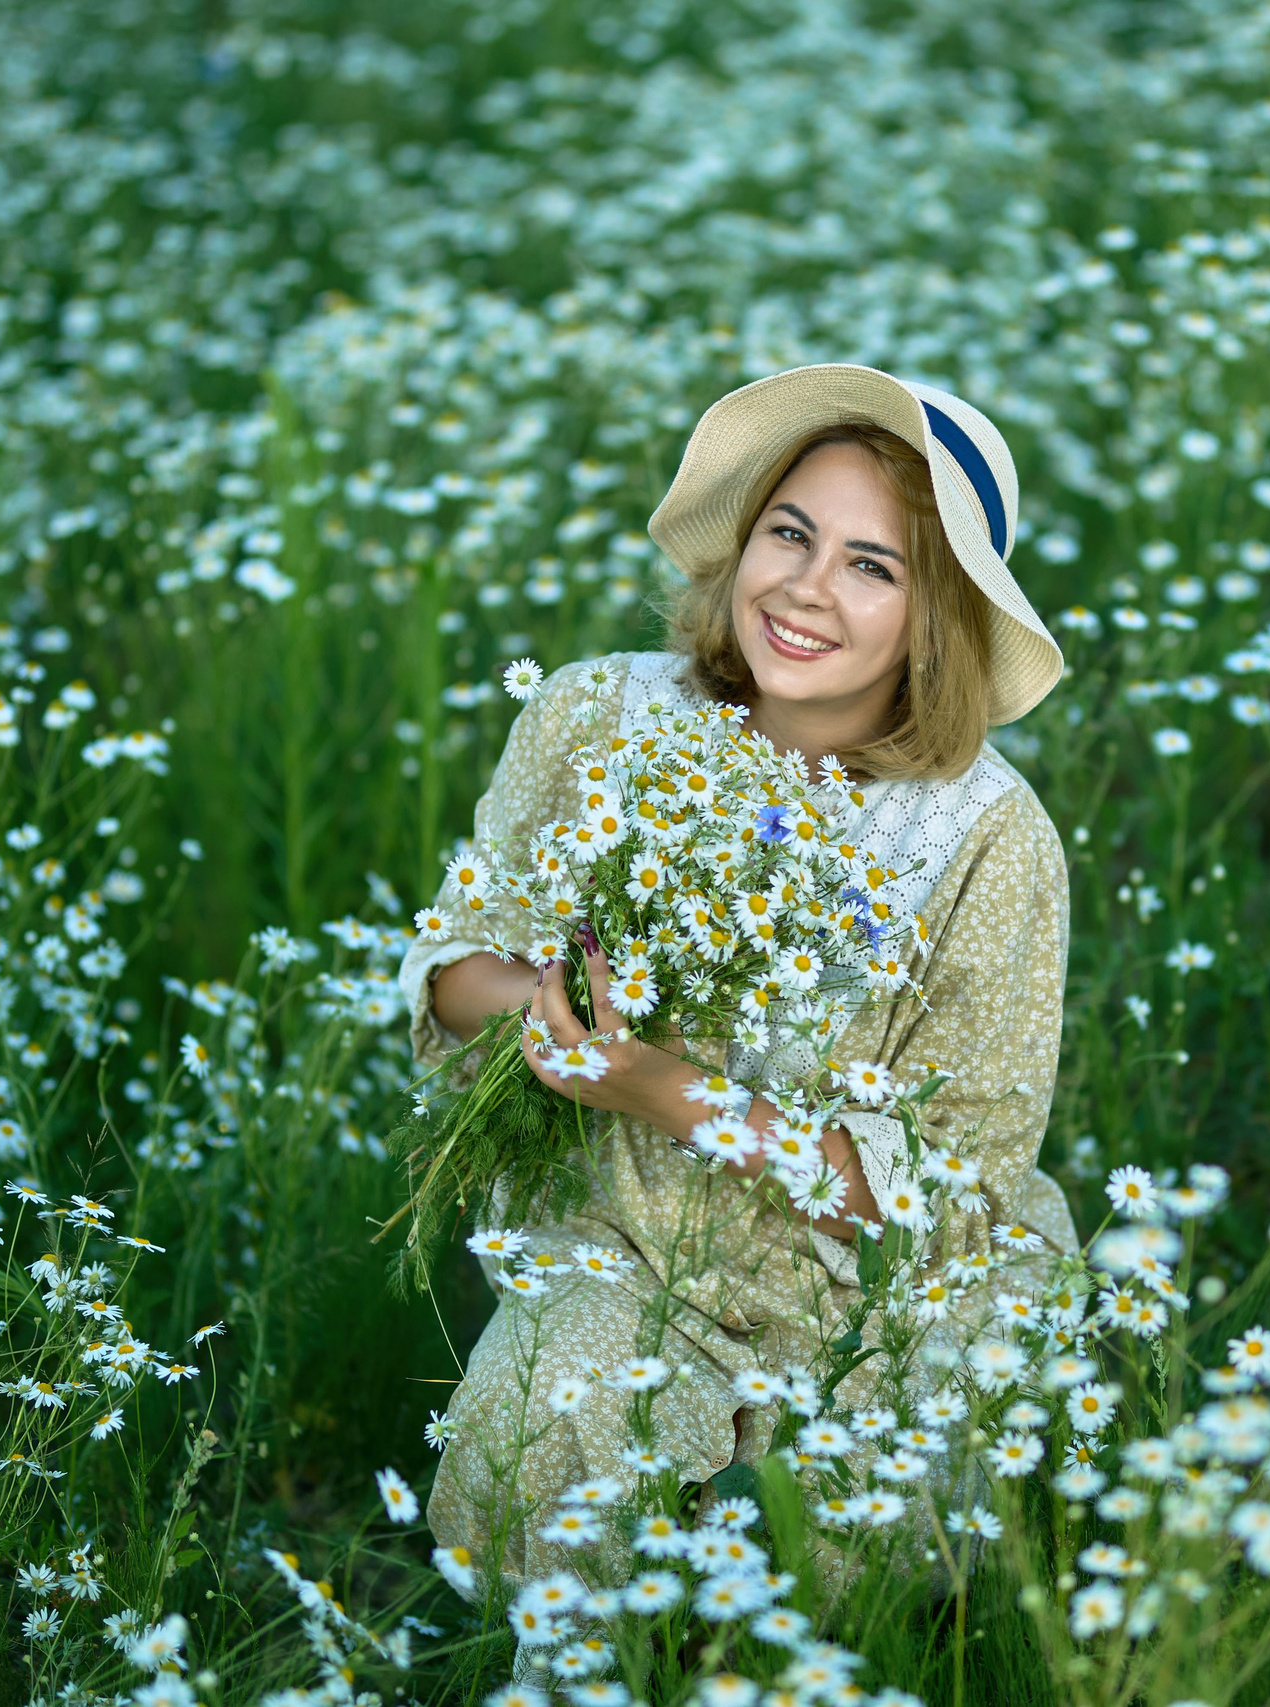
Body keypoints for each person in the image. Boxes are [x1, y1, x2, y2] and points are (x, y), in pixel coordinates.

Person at [398, 363, 1076, 1589]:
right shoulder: (599, 717)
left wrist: (661, 1086)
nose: (806, 590)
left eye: (875, 566)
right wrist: (547, 1009)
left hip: (864, 1300)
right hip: (621, 1240)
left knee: (857, 1594)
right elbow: (452, 967)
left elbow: (939, 1197)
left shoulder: (984, 834)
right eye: (789, 533)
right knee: (533, 1441)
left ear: (942, 618)